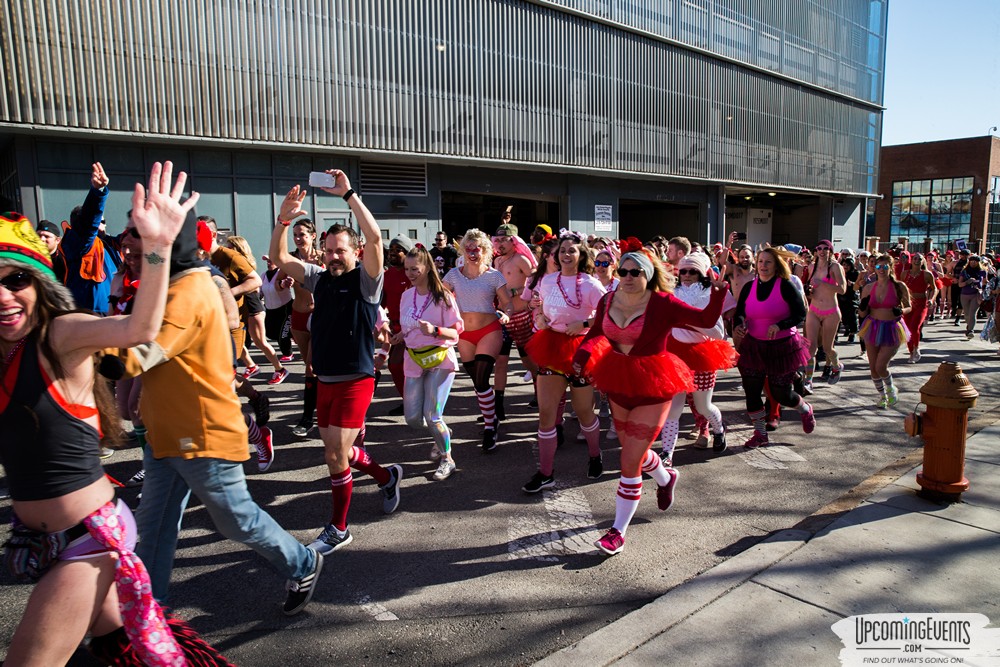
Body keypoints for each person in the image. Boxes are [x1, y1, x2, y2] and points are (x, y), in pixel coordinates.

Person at [0, 166, 235, 664]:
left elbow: (140, 329)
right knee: (128, 650)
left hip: (91, 539)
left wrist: (157, 246)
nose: (4, 295)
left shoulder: (58, 335)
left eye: (15, 279)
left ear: (38, 282)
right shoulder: (6, 354)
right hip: (45, 537)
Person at [270, 173, 403, 555]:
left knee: (333, 455)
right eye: (327, 250)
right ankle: (386, 476)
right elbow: (280, 258)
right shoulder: (316, 278)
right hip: (325, 377)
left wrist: (347, 194)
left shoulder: (367, 280)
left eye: (340, 250)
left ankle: (339, 527)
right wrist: (283, 221)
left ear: (355, 252)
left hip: (356, 378)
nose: (332, 256)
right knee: (338, 453)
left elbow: (376, 237)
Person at [572, 246, 727, 555]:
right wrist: (581, 356)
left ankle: (617, 532)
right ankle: (666, 476)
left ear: (649, 275)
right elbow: (596, 334)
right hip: (617, 380)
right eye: (622, 272)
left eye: (635, 272)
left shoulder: (663, 303)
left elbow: (707, 318)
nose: (627, 277)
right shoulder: (607, 300)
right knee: (637, 453)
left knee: (628, 459)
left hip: (655, 383)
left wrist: (720, 292)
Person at [522, 232, 606, 493]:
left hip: (580, 351)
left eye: (572, 251)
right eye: (562, 251)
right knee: (546, 414)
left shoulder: (591, 285)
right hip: (550, 346)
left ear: (581, 256)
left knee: (583, 412)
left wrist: (582, 323)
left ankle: (595, 455)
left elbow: (606, 317)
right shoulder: (547, 281)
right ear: (556, 256)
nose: (566, 254)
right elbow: (536, 307)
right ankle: (546, 473)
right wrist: (539, 317)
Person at [733, 247, 815, 448]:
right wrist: (739, 325)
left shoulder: (785, 286)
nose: (763, 266)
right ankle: (760, 434)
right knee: (751, 392)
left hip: (781, 347)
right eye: (760, 261)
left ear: (776, 265)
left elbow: (800, 313)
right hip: (754, 345)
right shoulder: (748, 287)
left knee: (780, 394)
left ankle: (805, 409)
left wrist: (780, 325)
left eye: (768, 262)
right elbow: (740, 313)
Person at [660, 251, 738, 462]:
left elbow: (718, 332)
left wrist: (688, 321)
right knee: (673, 409)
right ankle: (667, 453)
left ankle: (719, 429)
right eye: (683, 271)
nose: (686, 275)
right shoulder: (672, 293)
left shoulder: (708, 295)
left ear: (701, 273)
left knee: (703, 406)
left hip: (702, 355)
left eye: (692, 271)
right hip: (675, 356)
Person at [397, 246, 464, 480]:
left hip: (440, 359)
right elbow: (407, 328)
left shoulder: (443, 297)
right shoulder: (406, 296)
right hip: (414, 358)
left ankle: (448, 459)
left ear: (427, 268)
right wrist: (397, 336)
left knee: (432, 415)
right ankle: (442, 432)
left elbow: (456, 334)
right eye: (407, 269)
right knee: (413, 418)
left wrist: (435, 330)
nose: (410, 273)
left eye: (415, 269)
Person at [443, 229, 513, 452]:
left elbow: (508, 303)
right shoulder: (453, 274)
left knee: (482, 378)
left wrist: (506, 314)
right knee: (477, 383)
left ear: (486, 251)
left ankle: (490, 427)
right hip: (464, 334)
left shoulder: (494, 275)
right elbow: (438, 297)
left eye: (478, 249)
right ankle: (491, 415)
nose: (473, 253)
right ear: (464, 250)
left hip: (489, 330)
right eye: (469, 249)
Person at [61, 163, 122, 315]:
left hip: (115, 313)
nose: (102, 226)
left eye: (104, 222)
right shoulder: (78, 244)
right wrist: (97, 192)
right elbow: (88, 223)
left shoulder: (112, 243)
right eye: (98, 222)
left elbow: (137, 236)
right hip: (91, 315)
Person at [492, 221, 538, 419]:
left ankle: (540, 393)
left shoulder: (521, 259)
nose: (500, 243)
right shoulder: (497, 262)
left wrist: (515, 291)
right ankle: (498, 406)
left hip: (522, 317)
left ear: (514, 241)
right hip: (503, 318)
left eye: (505, 240)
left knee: (529, 361)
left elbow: (536, 281)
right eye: (497, 240)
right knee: (500, 362)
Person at [227, 235, 288, 383]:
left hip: (254, 308)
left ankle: (280, 369)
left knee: (260, 342)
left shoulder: (243, 265)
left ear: (237, 249)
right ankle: (251, 366)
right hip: (241, 309)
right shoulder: (230, 264)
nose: (227, 250)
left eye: (229, 248)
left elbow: (253, 285)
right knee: (235, 341)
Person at [857, 254, 910, 407]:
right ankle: (883, 397)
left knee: (881, 366)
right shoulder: (868, 287)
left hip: (892, 327)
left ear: (891, 268)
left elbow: (908, 306)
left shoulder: (899, 286)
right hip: (872, 326)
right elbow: (862, 313)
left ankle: (891, 389)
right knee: (873, 368)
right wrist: (862, 307)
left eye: (885, 266)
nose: (881, 270)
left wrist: (901, 311)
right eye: (878, 267)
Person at [288, 216, 324, 436]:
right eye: (295, 235)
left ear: (313, 236)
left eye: (302, 234)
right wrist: (284, 283)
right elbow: (278, 282)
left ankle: (307, 418)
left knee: (310, 367)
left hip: (320, 316)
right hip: (299, 318)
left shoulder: (324, 258)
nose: (298, 238)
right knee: (312, 368)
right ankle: (319, 405)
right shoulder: (290, 259)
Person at [803, 240, 847, 388]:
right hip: (814, 310)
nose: (822, 251)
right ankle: (808, 381)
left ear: (830, 251)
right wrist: (809, 291)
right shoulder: (811, 267)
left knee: (827, 348)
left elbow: (842, 289)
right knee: (811, 347)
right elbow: (811, 290)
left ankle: (836, 365)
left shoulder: (835, 267)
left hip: (831, 312)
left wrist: (823, 283)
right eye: (819, 248)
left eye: (825, 248)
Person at [382, 234, 415, 412]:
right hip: (395, 329)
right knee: (396, 367)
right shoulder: (386, 276)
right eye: (391, 250)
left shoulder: (415, 273)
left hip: (414, 329)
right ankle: (410, 402)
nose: (393, 253)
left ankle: (414, 403)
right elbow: (381, 304)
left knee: (398, 365)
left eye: (398, 250)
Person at [260, 254, 295, 369]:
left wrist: (285, 283)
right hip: (270, 309)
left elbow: (286, 283)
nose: (268, 263)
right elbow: (260, 291)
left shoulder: (282, 273)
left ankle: (288, 353)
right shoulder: (264, 275)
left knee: (282, 334)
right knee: (270, 333)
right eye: (267, 261)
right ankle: (293, 335)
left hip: (285, 308)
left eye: (271, 261)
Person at [902, 253, 935, 362]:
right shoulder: (904, 274)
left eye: (919, 259)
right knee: (907, 328)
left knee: (914, 326)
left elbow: (935, 289)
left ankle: (916, 348)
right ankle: (911, 352)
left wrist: (931, 299)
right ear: (911, 260)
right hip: (908, 304)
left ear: (922, 261)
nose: (917, 260)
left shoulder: (927, 274)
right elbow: (901, 289)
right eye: (915, 258)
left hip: (921, 304)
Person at [957, 255, 986, 339]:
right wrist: (967, 282)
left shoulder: (982, 271)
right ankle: (969, 325)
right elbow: (960, 284)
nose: (973, 263)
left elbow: (985, 282)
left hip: (976, 294)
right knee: (966, 314)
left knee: (972, 313)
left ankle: (970, 330)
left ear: (978, 262)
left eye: (976, 261)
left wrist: (982, 289)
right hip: (965, 294)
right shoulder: (965, 271)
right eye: (972, 261)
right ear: (969, 262)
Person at [838, 250, 861, 344]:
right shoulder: (839, 274)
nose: (845, 266)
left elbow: (859, 285)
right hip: (841, 298)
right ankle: (847, 329)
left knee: (851, 316)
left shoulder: (855, 274)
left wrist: (853, 284)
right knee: (843, 318)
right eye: (844, 264)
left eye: (847, 265)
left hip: (851, 299)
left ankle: (852, 333)